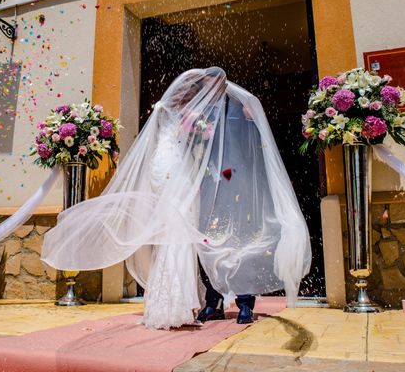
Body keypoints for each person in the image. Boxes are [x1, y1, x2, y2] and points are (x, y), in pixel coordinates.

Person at [42, 67, 311, 329]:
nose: (211, 92)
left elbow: (245, 148)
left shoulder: (237, 110)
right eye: (204, 88)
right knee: (195, 238)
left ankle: (242, 302)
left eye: (212, 87)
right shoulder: (191, 113)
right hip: (195, 181)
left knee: (230, 240)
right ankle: (210, 302)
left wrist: (248, 121)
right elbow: (195, 147)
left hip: (231, 184)